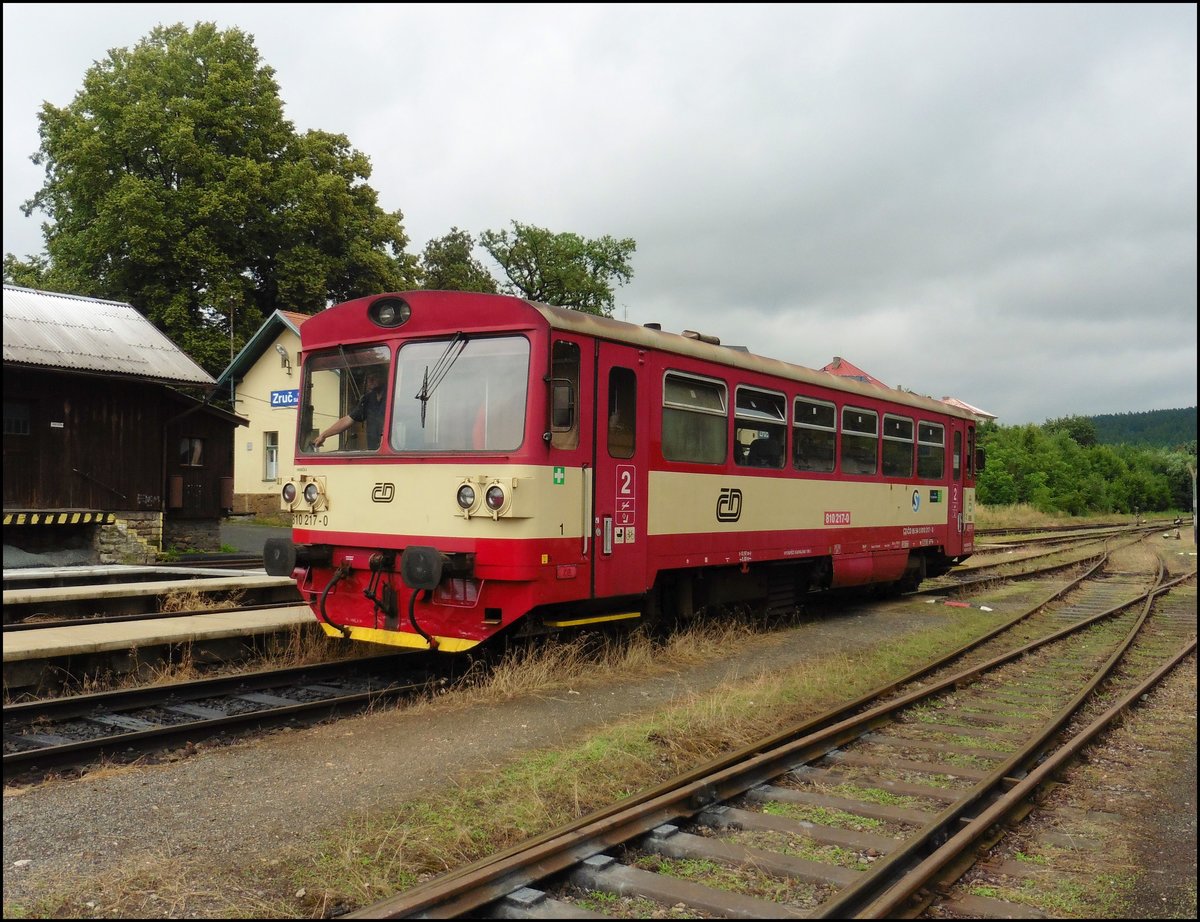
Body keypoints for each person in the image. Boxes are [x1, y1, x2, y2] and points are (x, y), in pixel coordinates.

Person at [313, 369, 387, 450]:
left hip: (390, 450)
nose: (370, 380)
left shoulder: (393, 396)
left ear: (384, 377)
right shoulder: (368, 399)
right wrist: (324, 435)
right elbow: (348, 419)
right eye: (368, 377)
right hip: (374, 450)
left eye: (375, 376)